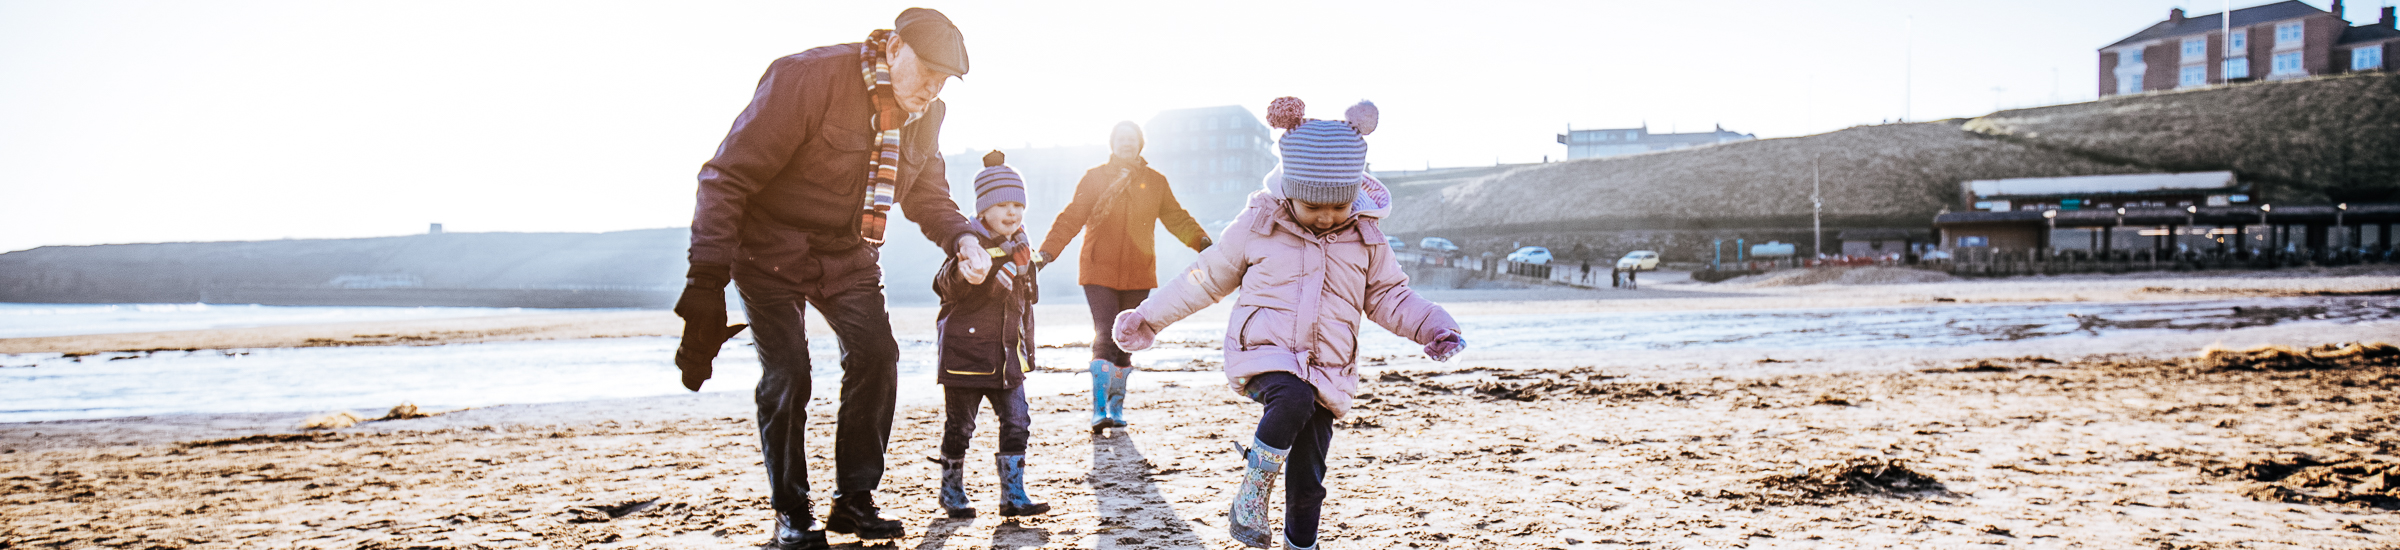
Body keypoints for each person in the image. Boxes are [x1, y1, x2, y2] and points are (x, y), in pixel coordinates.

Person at [671, 8, 981, 549]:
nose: (932, 89)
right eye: (926, 72)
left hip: (849, 252)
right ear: (893, 49)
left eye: (943, 80)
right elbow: (725, 177)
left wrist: (963, 238)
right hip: (769, 248)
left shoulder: (927, 115)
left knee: (877, 355)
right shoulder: (806, 79)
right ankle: (792, 511)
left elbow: (928, 194)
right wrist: (706, 280)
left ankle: (853, 501)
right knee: (790, 372)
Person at [1111, 98, 1466, 550]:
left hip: (1329, 366)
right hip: (1265, 352)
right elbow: (1206, 277)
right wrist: (1149, 316)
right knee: (1293, 397)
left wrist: (1433, 325)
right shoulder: (1260, 224)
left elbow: (1389, 295)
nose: (1326, 216)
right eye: (1313, 205)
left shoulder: (1366, 237)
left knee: (1309, 476)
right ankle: (1251, 496)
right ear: (1289, 190)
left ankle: (1302, 544)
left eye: (1337, 207)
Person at [1036, 121, 1213, 431]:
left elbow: (1176, 218)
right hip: (1098, 270)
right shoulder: (1095, 178)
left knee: (1126, 338)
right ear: (1112, 143)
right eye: (1121, 138)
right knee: (1104, 334)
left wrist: (1203, 243)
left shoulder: (1155, 182)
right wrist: (1047, 253)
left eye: (1132, 139)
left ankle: (1117, 407)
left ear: (1140, 144)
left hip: (1138, 272)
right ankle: (1099, 409)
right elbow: (1072, 218)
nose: (1126, 143)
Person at [928, 152, 1052, 520]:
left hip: (1008, 357)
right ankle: (951, 490)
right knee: (961, 427)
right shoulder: (970, 247)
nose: (1011, 212)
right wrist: (967, 276)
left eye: (1018, 204)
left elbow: (1027, 303)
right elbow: (943, 284)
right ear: (982, 210)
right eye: (1001, 204)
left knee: (1017, 422)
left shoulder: (1021, 250)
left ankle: (1013, 493)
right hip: (966, 355)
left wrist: (1027, 274)